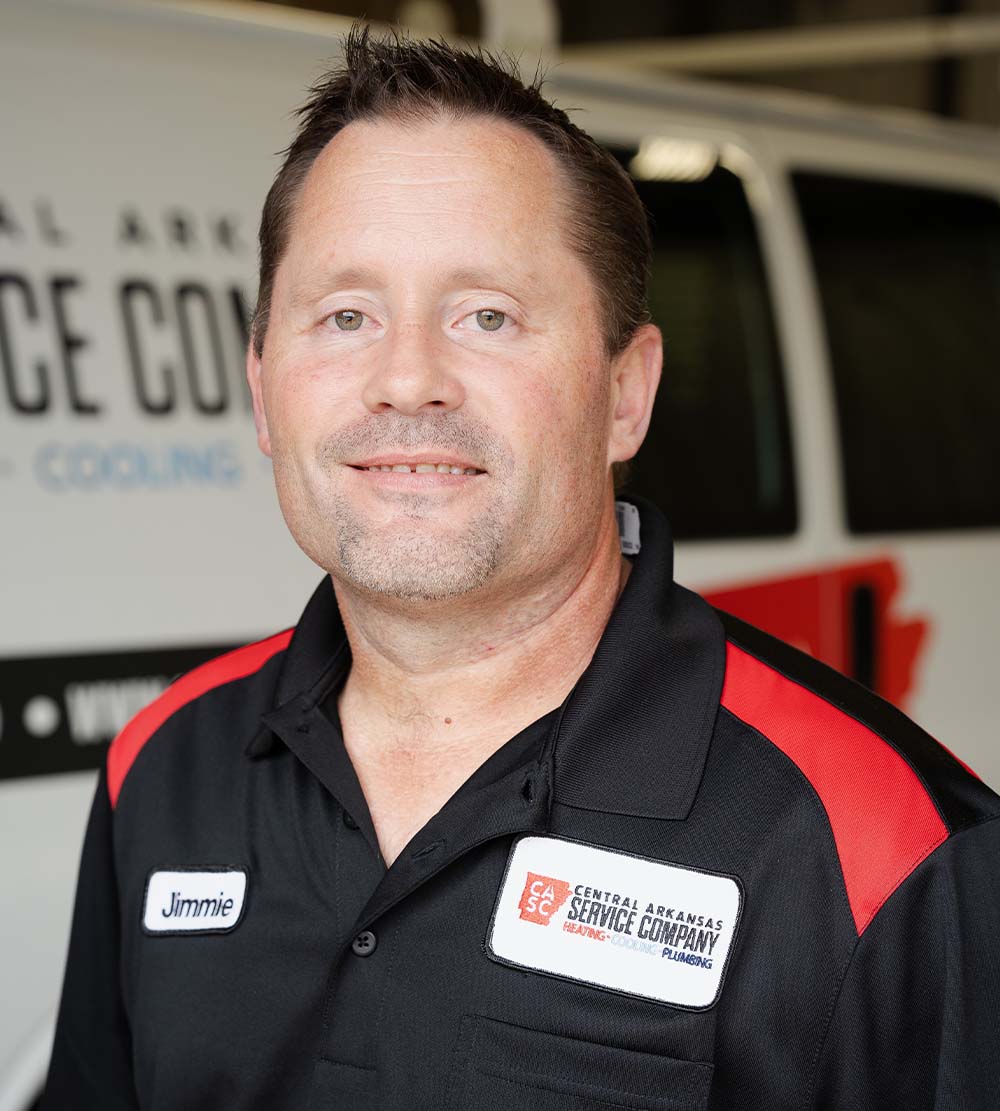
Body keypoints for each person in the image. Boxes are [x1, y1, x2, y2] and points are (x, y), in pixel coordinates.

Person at [42, 25, 1000, 1111]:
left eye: (487, 315)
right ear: (264, 388)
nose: (406, 380)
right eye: (346, 315)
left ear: (625, 394)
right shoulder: (163, 771)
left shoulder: (880, 845)